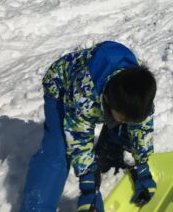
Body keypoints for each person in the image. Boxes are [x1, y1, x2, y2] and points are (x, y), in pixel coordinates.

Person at [19, 41, 157, 212]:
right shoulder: (84, 97)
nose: (125, 122)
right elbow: (79, 138)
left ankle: (109, 154)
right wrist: (88, 187)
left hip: (103, 92)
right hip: (61, 88)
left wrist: (142, 165)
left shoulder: (139, 91)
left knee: (126, 129)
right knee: (58, 150)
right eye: (121, 118)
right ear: (107, 101)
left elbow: (142, 128)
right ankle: (36, 207)